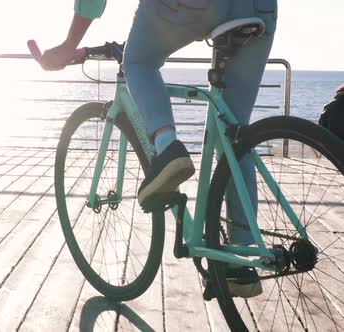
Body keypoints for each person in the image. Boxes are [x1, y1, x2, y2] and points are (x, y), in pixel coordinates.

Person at [39, 0, 277, 298]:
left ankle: (167, 147)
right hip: (258, 8)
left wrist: (69, 45)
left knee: (137, 62)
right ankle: (239, 262)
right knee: (235, 132)